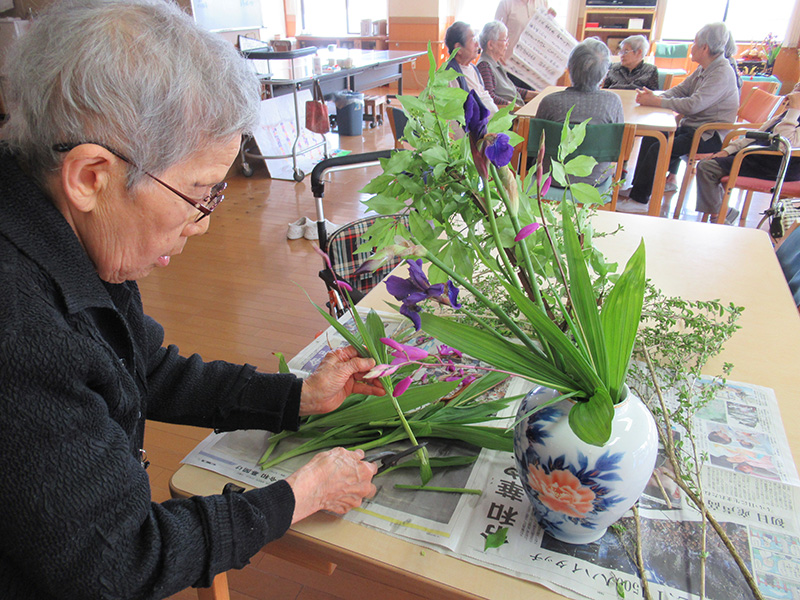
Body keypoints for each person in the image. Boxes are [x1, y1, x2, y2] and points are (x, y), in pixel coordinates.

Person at [0, 1, 384, 598]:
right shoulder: (21, 329)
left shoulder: (69, 227)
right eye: (200, 191)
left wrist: (297, 396)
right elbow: (122, 561)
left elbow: (143, 370)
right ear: (90, 177)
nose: (203, 222)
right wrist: (299, 496)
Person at [618, 23, 740, 214]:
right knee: (653, 135)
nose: (692, 47)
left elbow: (694, 104)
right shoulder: (704, 68)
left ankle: (640, 201)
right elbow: (681, 89)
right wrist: (657, 96)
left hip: (709, 136)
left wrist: (658, 102)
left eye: (695, 43)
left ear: (705, 48)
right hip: (693, 128)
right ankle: (638, 189)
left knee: (660, 147)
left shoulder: (722, 72)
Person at [695, 81, 800, 222]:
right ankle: (723, 212)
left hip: (780, 168)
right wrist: (728, 151)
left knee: (707, 168)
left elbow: (785, 145)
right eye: (795, 87)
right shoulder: (785, 115)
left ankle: (718, 217)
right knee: (707, 164)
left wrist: (794, 110)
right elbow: (756, 135)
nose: (793, 93)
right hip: (758, 159)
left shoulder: (792, 114)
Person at [535, 38, 624, 187]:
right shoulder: (613, 102)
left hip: (551, 179)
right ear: (605, 73)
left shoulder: (549, 102)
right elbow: (619, 146)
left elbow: (536, 146)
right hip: (595, 181)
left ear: (569, 67)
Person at [477, 20, 537, 107]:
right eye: (504, 40)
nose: (507, 44)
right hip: (510, 115)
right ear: (490, 45)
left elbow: (510, 89)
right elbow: (489, 97)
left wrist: (535, 94)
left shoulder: (495, 62)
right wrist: (513, 106)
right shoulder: (485, 66)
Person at [445, 21, 498, 114]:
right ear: (458, 48)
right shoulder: (450, 74)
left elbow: (485, 96)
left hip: (491, 125)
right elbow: (457, 115)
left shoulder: (473, 69)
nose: (477, 44)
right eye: (473, 40)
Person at [495, 0, 557, 65]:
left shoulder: (543, 2)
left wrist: (551, 21)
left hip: (534, 65)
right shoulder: (506, 3)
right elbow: (496, 34)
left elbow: (544, 33)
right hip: (509, 64)